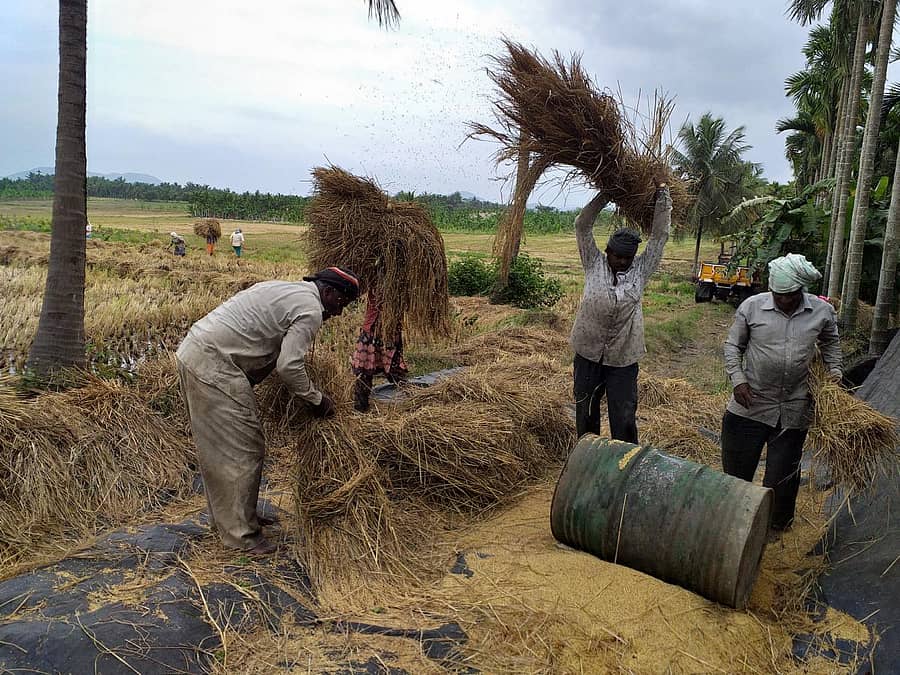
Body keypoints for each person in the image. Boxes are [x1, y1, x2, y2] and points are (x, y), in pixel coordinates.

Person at [175, 266, 360, 554]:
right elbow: (290, 366)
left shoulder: (284, 289)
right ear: (328, 292)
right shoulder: (310, 309)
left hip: (198, 352)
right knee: (244, 449)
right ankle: (242, 536)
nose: (339, 313)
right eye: (342, 303)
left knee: (219, 448)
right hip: (216, 365)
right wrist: (316, 399)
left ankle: (236, 517)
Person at [722, 253, 841, 534]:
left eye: (789, 295)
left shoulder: (821, 313)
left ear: (801, 290)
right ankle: (732, 527)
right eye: (777, 294)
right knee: (736, 475)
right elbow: (732, 346)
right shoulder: (751, 307)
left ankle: (775, 529)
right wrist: (738, 380)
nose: (783, 300)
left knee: (782, 478)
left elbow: (831, 344)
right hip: (750, 404)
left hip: (794, 408)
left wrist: (834, 373)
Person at [570, 186, 672, 442]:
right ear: (607, 251)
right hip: (587, 353)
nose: (623, 261)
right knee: (586, 411)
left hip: (624, 357)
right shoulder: (593, 262)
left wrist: (662, 198)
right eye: (617, 256)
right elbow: (582, 225)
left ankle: (624, 464)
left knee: (624, 415)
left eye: (628, 257)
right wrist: (607, 193)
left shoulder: (641, 270)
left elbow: (660, 236)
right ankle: (588, 458)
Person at [351, 288, 408, 412]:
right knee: (363, 372)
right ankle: (360, 409)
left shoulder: (401, 281)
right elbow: (357, 289)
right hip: (370, 330)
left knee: (395, 370)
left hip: (390, 331)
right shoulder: (373, 276)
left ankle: (411, 402)